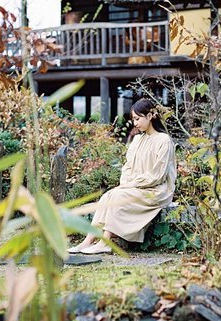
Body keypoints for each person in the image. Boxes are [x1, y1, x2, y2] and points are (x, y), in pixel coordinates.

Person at [68, 98, 177, 254]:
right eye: (133, 119)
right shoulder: (138, 139)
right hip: (136, 186)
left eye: (138, 119)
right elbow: (128, 167)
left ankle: (105, 243)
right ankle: (88, 241)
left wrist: (131, 184)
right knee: (108, 196)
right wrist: (127, 182)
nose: (135, 123)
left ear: (151, 115)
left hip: (156, 190)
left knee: (119, 196)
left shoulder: (163, 140)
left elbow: (157, 175)